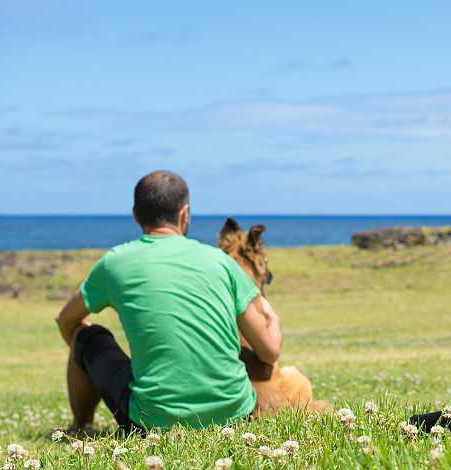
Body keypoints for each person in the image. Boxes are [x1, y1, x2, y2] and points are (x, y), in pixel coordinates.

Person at [55, 170, 282, 433]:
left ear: (135, 215)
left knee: (85, 334)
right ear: (185, 213)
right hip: (237, 417)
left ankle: (80, 426)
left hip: (152, 424)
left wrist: (80, 351)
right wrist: (273, 318)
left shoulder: (115, 263)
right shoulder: (221, 262)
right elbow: (269, 352)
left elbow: (65, 319)